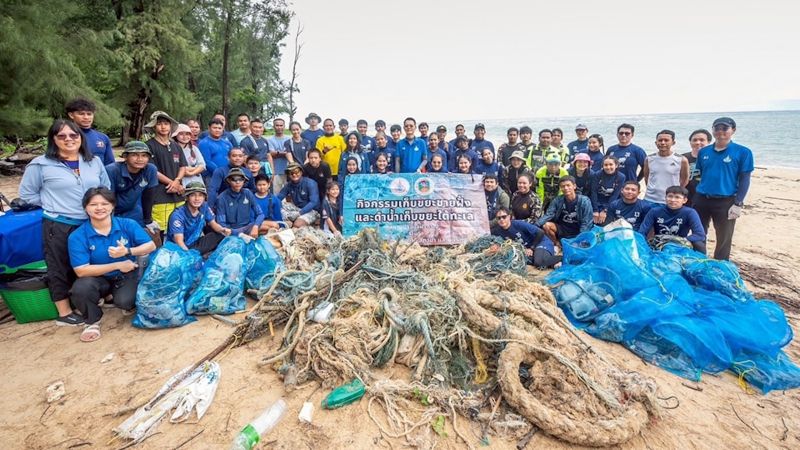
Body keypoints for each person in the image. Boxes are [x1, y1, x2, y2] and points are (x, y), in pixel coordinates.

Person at [19, 119, 111, 326]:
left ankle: (89, 298)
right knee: (59, 265)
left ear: (81, 137)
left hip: (90, 221)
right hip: (59, 223)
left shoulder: (92, 161)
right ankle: (64, 311)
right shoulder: (41, 164)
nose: (68, 139)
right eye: (62, 136)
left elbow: (105, 187)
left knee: (92, 261)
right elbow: (27, 194)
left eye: (73, 135)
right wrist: (55, 205)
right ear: (53, 139)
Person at [68, 188, 156, 342]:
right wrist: (118, 265)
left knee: (125, 302)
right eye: (93, 204)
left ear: (112, 206)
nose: (99, 208)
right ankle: (92, 321)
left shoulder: (127, 224)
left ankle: (112, 296)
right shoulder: (78, 236)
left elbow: (151, 246)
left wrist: (128, 250)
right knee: (81, 288)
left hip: (126, 274)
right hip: (98, 277)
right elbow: (81, 270)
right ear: (85, 208)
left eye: (104, 203)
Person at [693, 117, 754, 260]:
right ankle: (699, 261)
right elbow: (699, 174)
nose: (720, 132)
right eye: (717, 128)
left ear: (733, 130)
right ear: (712, 130)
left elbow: (745, 178)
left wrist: (738, 203)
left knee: (724, 237)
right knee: (699, 233)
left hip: (726, 201)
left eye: (724, 128)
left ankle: (720, 266)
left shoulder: (743, 152)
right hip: (702, 198)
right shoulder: (704, 152)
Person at [145, 111, 187, 234]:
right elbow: (153, 170)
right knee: (160, 230)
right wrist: (173, 183)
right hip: (160, 195)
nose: (163, 127)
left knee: (179, 228)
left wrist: (177, 181)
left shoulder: (176, 146)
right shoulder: (149, 145)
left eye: (166, 123)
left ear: (170, 126)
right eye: (159, 124)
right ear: (154, 126)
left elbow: (183, 166)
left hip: (178, 194)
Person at [638, 186, 707, 253]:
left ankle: (704, 263)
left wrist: (681, 240)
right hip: (660, 243)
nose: (673, 200)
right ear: (665, 198)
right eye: (670, 196)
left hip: (681, 245)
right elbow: (642, 232)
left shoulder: (690, 212)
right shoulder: (654, 211)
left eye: (677, 197)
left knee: (699, 244)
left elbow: (700, 235)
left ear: (684, 200)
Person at [104, 141, 158, 227]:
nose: (140, 159)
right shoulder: (112, 170)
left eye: (144, 155)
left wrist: (148, 220)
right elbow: (107, 198)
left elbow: (148, 196)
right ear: (125, 157)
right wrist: (109, 221)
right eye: (134, 155)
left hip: (133, 209)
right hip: (113, 210)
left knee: (143, 233)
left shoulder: (150, 169)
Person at [167, 182, 228, 254]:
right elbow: (179, 241)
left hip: (195, 243)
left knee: (220, 235)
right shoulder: (177, 215)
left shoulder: (204, 206)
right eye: (193, 195)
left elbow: (213, 224)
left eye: (200, 195)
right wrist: (189, 256)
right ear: (187, 197)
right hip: (179, 249)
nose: (197, 199)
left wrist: (223, 230)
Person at [492, 207, 561, 268]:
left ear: (509, 217)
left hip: (541, 242)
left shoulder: (519, 224)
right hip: (526, 250)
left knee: (538, 262)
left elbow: (540, 232)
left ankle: (562, 258)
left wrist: (531, 248)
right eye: (499, 218)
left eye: (504, 217)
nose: (501, 219)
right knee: (519, 259)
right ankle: (551, 259)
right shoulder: (497, 231)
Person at [536, 176, 594, 244]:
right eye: (563, 186)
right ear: (560, 188)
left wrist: (580, 239)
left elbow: (586, 223)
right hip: (562, 228)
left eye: (568, 185)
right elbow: (549, 214)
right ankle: (557, 245)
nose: (566, 188)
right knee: (546, 226)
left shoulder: (584, 201)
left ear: (574, 186)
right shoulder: (557, 200)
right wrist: (536, 224)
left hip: (578, 229)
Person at [642, 130, 690, 205]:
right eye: (660, 140)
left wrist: (675, 192)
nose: (663, 143)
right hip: (650, 199)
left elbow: (684, 180)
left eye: (666, 140)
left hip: (670, 201)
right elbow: (647, 178)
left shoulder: (681, 160)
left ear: (673, 142)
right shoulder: (649, 159)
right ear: (656, 143)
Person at [215, 167, 263, 238]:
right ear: (228, 180)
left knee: (273, 225)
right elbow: (221, 224)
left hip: (247, 227)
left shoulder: (248, 193)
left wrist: (255, 227)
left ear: (244, 181)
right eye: (234, 179)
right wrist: (235, 233)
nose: (238, 182)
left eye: (241, 179)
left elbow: (260, 214)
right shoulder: (222, 198)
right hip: (230, 231)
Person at [65, 98, 115, 165]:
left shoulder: (103, 138)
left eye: (89, 114)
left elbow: (110, 164)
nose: (86, 117)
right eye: (81, 114)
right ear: (71, 115)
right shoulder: (64, 138)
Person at [278, 162, 320, 228]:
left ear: (301, 172)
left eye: (296, 172)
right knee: (276, 205)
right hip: (296, 208)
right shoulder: (289, 185)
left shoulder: (310, 183)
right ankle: (288, 219)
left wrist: (299, 213)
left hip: (311, 210)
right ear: (288, 174)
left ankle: (293, 220)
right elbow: (278, 198)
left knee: (297, 225)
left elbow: (313, 202)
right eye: (291, 173)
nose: (294, 175)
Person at [590, 155, 625, 225]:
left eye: (611, 164)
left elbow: (615, 196)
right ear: (602, 166)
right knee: (593, 222)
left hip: (610, 203)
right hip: (596, 202)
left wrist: (605, 210)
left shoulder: (621, 177)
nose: (608, 167)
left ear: (616, 165)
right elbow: (593, 192)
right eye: (605, 165)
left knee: (605, 223)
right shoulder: (597, 174)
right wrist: (595, 210)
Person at [683, 129, 711, 207]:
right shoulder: (683, 158)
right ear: (690, 142)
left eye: (702, 140)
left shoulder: (714, 158)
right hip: (686, 196)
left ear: (708, 142)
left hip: (706, 197)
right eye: (694, 140)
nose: (698, 142)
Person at [268, 118, 291, 191]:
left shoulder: (289, 139)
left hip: (289, 171)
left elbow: (291, 153)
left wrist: (277, 153)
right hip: (275, 171)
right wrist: (284, 153)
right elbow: (271, 153)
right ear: (273, 127)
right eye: (277, 125)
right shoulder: (270, 140)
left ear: (284, 126)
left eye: (281, 125)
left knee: (289, 195)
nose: (279, 127)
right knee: (276, 194)